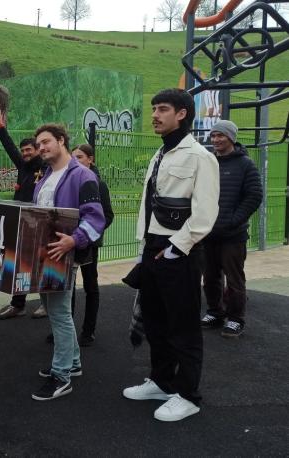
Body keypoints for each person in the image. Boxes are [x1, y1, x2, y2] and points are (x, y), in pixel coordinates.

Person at [122, 88, 219, 422]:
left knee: (184, 326)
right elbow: (146, 206)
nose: (154, 115)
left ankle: (188, 394)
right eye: (153, 109)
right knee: (156, 321)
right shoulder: (160, 155)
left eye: (162, 109)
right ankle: (162, 382)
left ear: (182, 114)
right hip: (152, 248)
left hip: (179, 252)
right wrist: (141, 250)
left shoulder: (200, 157)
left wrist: (176, 249)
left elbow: (205, 212)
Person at [29, 124, 105, 401]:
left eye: (46, 142)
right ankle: (72, 363)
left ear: (61, 141)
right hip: (45, 256)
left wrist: (74, 241)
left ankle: (61, 376)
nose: (41, 148)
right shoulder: (45, 177)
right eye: (38, 144)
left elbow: (96, 218)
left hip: (64, 255)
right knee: (52, 309)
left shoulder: (82, 175)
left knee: (60, 312)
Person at [200, 120, 262, 337]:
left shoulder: (245, 164)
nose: (216, 140)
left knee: (234, 279)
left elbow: (254, 195)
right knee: (210, 277)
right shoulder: (208, 162)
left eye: (221, 135)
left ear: (231, 138)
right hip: (208, 233)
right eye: (213, 135)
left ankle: (236, 318)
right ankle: (215, 312)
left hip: (233, 235)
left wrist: (233, 220)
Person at [0, 107, 47, 320]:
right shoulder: (22, 166)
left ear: (37, 149)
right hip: (21, 222)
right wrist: (1, 129)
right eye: (23, 151)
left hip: (40, 222)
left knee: (42, 263)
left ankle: (45, 303)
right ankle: (18, 304)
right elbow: (9, 148)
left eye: (29, 150)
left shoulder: (46, 166)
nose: (25, 154)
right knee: (20, 265)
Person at [70, 144, 114, 346]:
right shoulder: (70, 181)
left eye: (79, 157)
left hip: (89, 246)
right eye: (73, 157)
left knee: (90, 286)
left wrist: (89, 234)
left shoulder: (99, 184)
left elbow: (107, 216)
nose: (75, 160)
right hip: (69, 243)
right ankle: (65, 330)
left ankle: (88, 331)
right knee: (66, 288)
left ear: (90, 159)